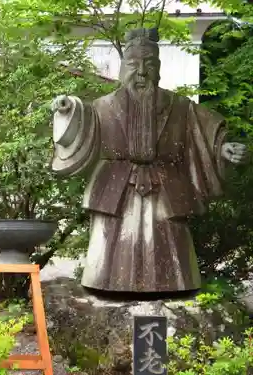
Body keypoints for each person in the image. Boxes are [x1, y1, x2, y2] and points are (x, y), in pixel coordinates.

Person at [50, 28, 247, 297]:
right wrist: (67, 107)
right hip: (115, 185)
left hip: (166, 184)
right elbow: (80, 125)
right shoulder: (101, 107)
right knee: (111, 247)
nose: (141, 72)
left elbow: (203, 134)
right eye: (133, 64)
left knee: (169, 243)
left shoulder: (181, 107)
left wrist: (223, 148)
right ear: (122, 69)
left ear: (159, 69)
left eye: (150, 64)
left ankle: (172, 287)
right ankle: (107, 286)